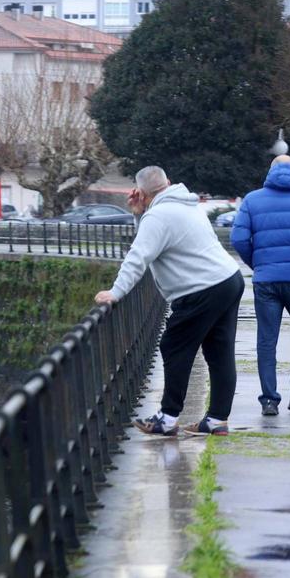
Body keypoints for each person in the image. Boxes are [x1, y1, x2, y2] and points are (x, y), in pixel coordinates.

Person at [95, 165, 244, 436]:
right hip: (228, 279)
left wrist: (116, 292)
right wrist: (139, 215)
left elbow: (138, 256)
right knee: (219, 352)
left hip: (202, 288)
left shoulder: (159, 215)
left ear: (141, 193)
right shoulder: (185, 205)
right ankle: (216, 419)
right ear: (168, 182)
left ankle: (167, 418)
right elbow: (152, 242)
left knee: (174, 346)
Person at [230, 155, 290, 416]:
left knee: (266, 339)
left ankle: (269, 400)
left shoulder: (252, 200)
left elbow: (238, 238)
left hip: (266, 280)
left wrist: (257, 263)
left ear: (270, 170)